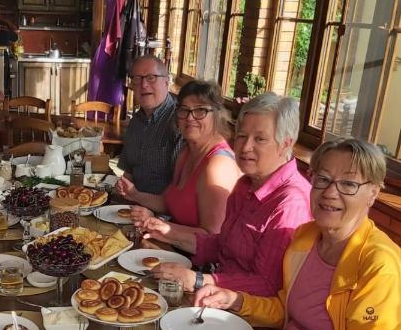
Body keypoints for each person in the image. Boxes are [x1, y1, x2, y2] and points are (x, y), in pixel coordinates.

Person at [196, 138, 401, 330]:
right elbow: (286, 309)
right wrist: (236, 300)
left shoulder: (378, 265)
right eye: (322, 179)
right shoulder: (306, 236)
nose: (331, 192)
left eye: (348, 183)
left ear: (373, 192)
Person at [149, 93, 312, 295]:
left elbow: (268, 285)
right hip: (217, 294)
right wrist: (166, 233)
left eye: (260, 139)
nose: (245, 147)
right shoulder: (245, 184)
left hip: (249, 317)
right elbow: (223, 245)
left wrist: (198, 280)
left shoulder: (290, 203)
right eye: (242, 136)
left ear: (286, 144)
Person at [125, 79, 241, 241]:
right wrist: (134, 194)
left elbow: (213, 236)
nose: (190, 118)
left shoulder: (218, 166)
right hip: (175, 247)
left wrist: (158, 224)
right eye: (184, 110)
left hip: (202, 262)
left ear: (217, 115)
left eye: (200, 110)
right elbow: (170, 203)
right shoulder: (186, 153)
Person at [116, 56, 183, 194]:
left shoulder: (181, 122)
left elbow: (182, 190)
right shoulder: (135, 121)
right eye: (137, 79)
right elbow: (128, 173)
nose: (144, 85)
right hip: (133, 206)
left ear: (166, 81)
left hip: (164, 213)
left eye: (151, 77)